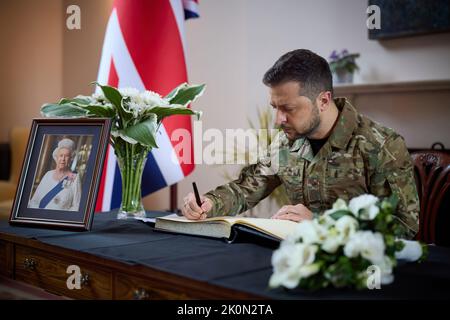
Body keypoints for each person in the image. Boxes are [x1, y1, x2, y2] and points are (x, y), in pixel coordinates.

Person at [182, 49, 420, 239]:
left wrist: (323, 223)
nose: (278, 120)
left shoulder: (382, 145)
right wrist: (210, 203)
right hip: (297, 262)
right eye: (275, 108)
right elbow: (247, 187)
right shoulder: (285, 143)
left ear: (323, 100)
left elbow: (404, 226)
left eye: (289, 108)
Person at [29, 138, 81, 211]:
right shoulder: (48, 174)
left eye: (66, 156)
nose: (63, 159)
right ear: (56, 157)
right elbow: (34, 200)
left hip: (59, 220)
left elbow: (77, 206)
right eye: (61, 155)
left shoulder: (74, 177)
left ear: (70, 159)